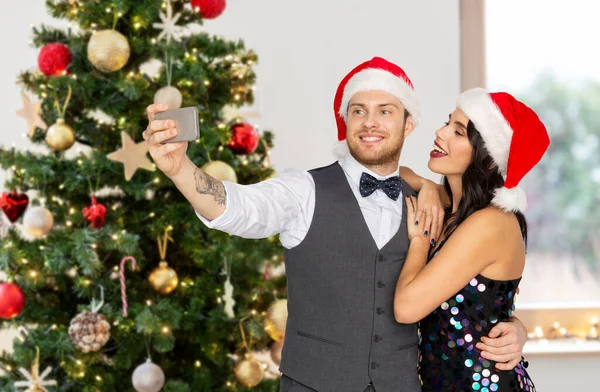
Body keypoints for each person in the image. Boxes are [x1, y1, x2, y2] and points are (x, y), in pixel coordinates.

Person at [143, 57, 527, 392]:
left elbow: (489, 290)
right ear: (344, 121)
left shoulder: (446, 209)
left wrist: (517, 328)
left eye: (386, 110)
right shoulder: (304, 189)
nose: (370, 122)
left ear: (409, 125)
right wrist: (180, 170)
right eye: (358, 110)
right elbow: (241, 207)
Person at [394, 88, 549, 391]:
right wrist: (426, 186)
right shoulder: (453, 209)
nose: (439, 133)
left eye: (458, 131)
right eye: (446, 123)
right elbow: (393, 172)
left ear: (488, 160)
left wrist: (421, 239)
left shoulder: (491, 223)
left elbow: (406, 308)